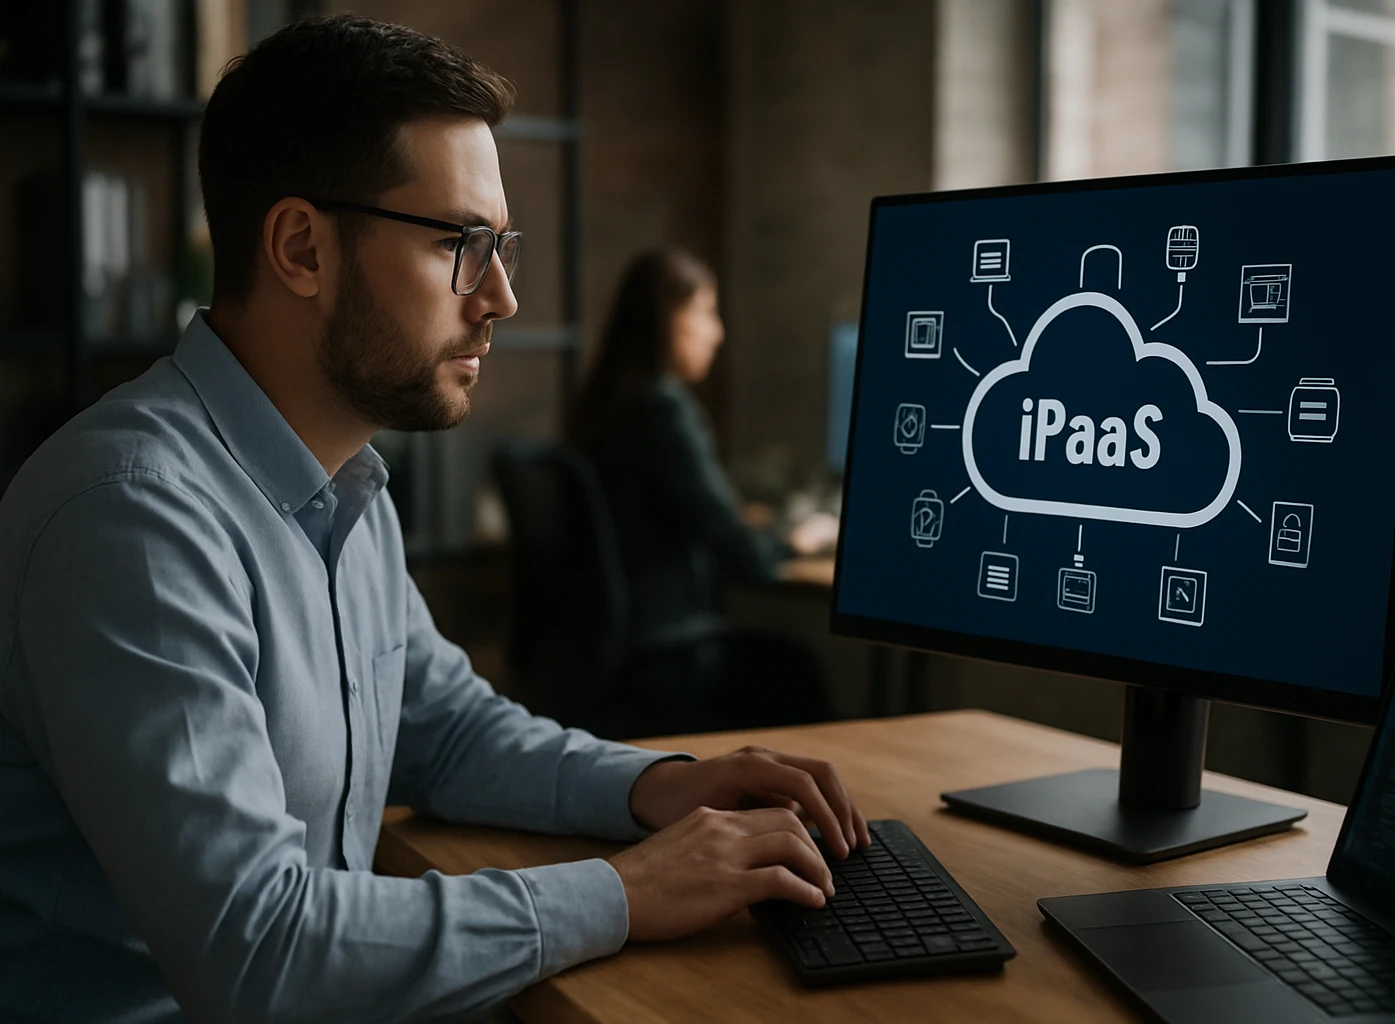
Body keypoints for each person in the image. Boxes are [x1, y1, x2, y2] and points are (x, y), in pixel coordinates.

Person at [0, 16, 869, 1024]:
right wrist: (626, 892)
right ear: (301, 248)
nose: (501, 296)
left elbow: (447, 732)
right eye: (461, 244)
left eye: (502, 247)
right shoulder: (132, 518)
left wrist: (662, 786)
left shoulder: (345, 484)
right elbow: (257, 952)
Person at [566, 250, 839, 735]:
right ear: (668, 318)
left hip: (606, 655)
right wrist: (795, 540)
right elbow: (742, 555)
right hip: (666, 661)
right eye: (706, 312)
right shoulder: (663, 409)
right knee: (797, 672)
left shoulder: (602, 405)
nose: (718, 333)